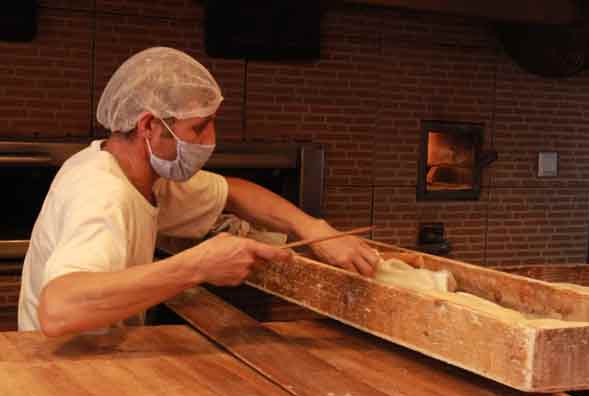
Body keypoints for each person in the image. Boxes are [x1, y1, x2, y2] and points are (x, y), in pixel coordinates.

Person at [18, 47, 380, 337]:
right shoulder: (102, 194)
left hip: (100, 355)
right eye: (199, 128)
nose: (210, 141)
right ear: (149, 126)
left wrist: (314, 228)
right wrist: (198, 266)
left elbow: (234, 193)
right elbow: (58, 309)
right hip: (60, 374)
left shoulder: (143, 174)